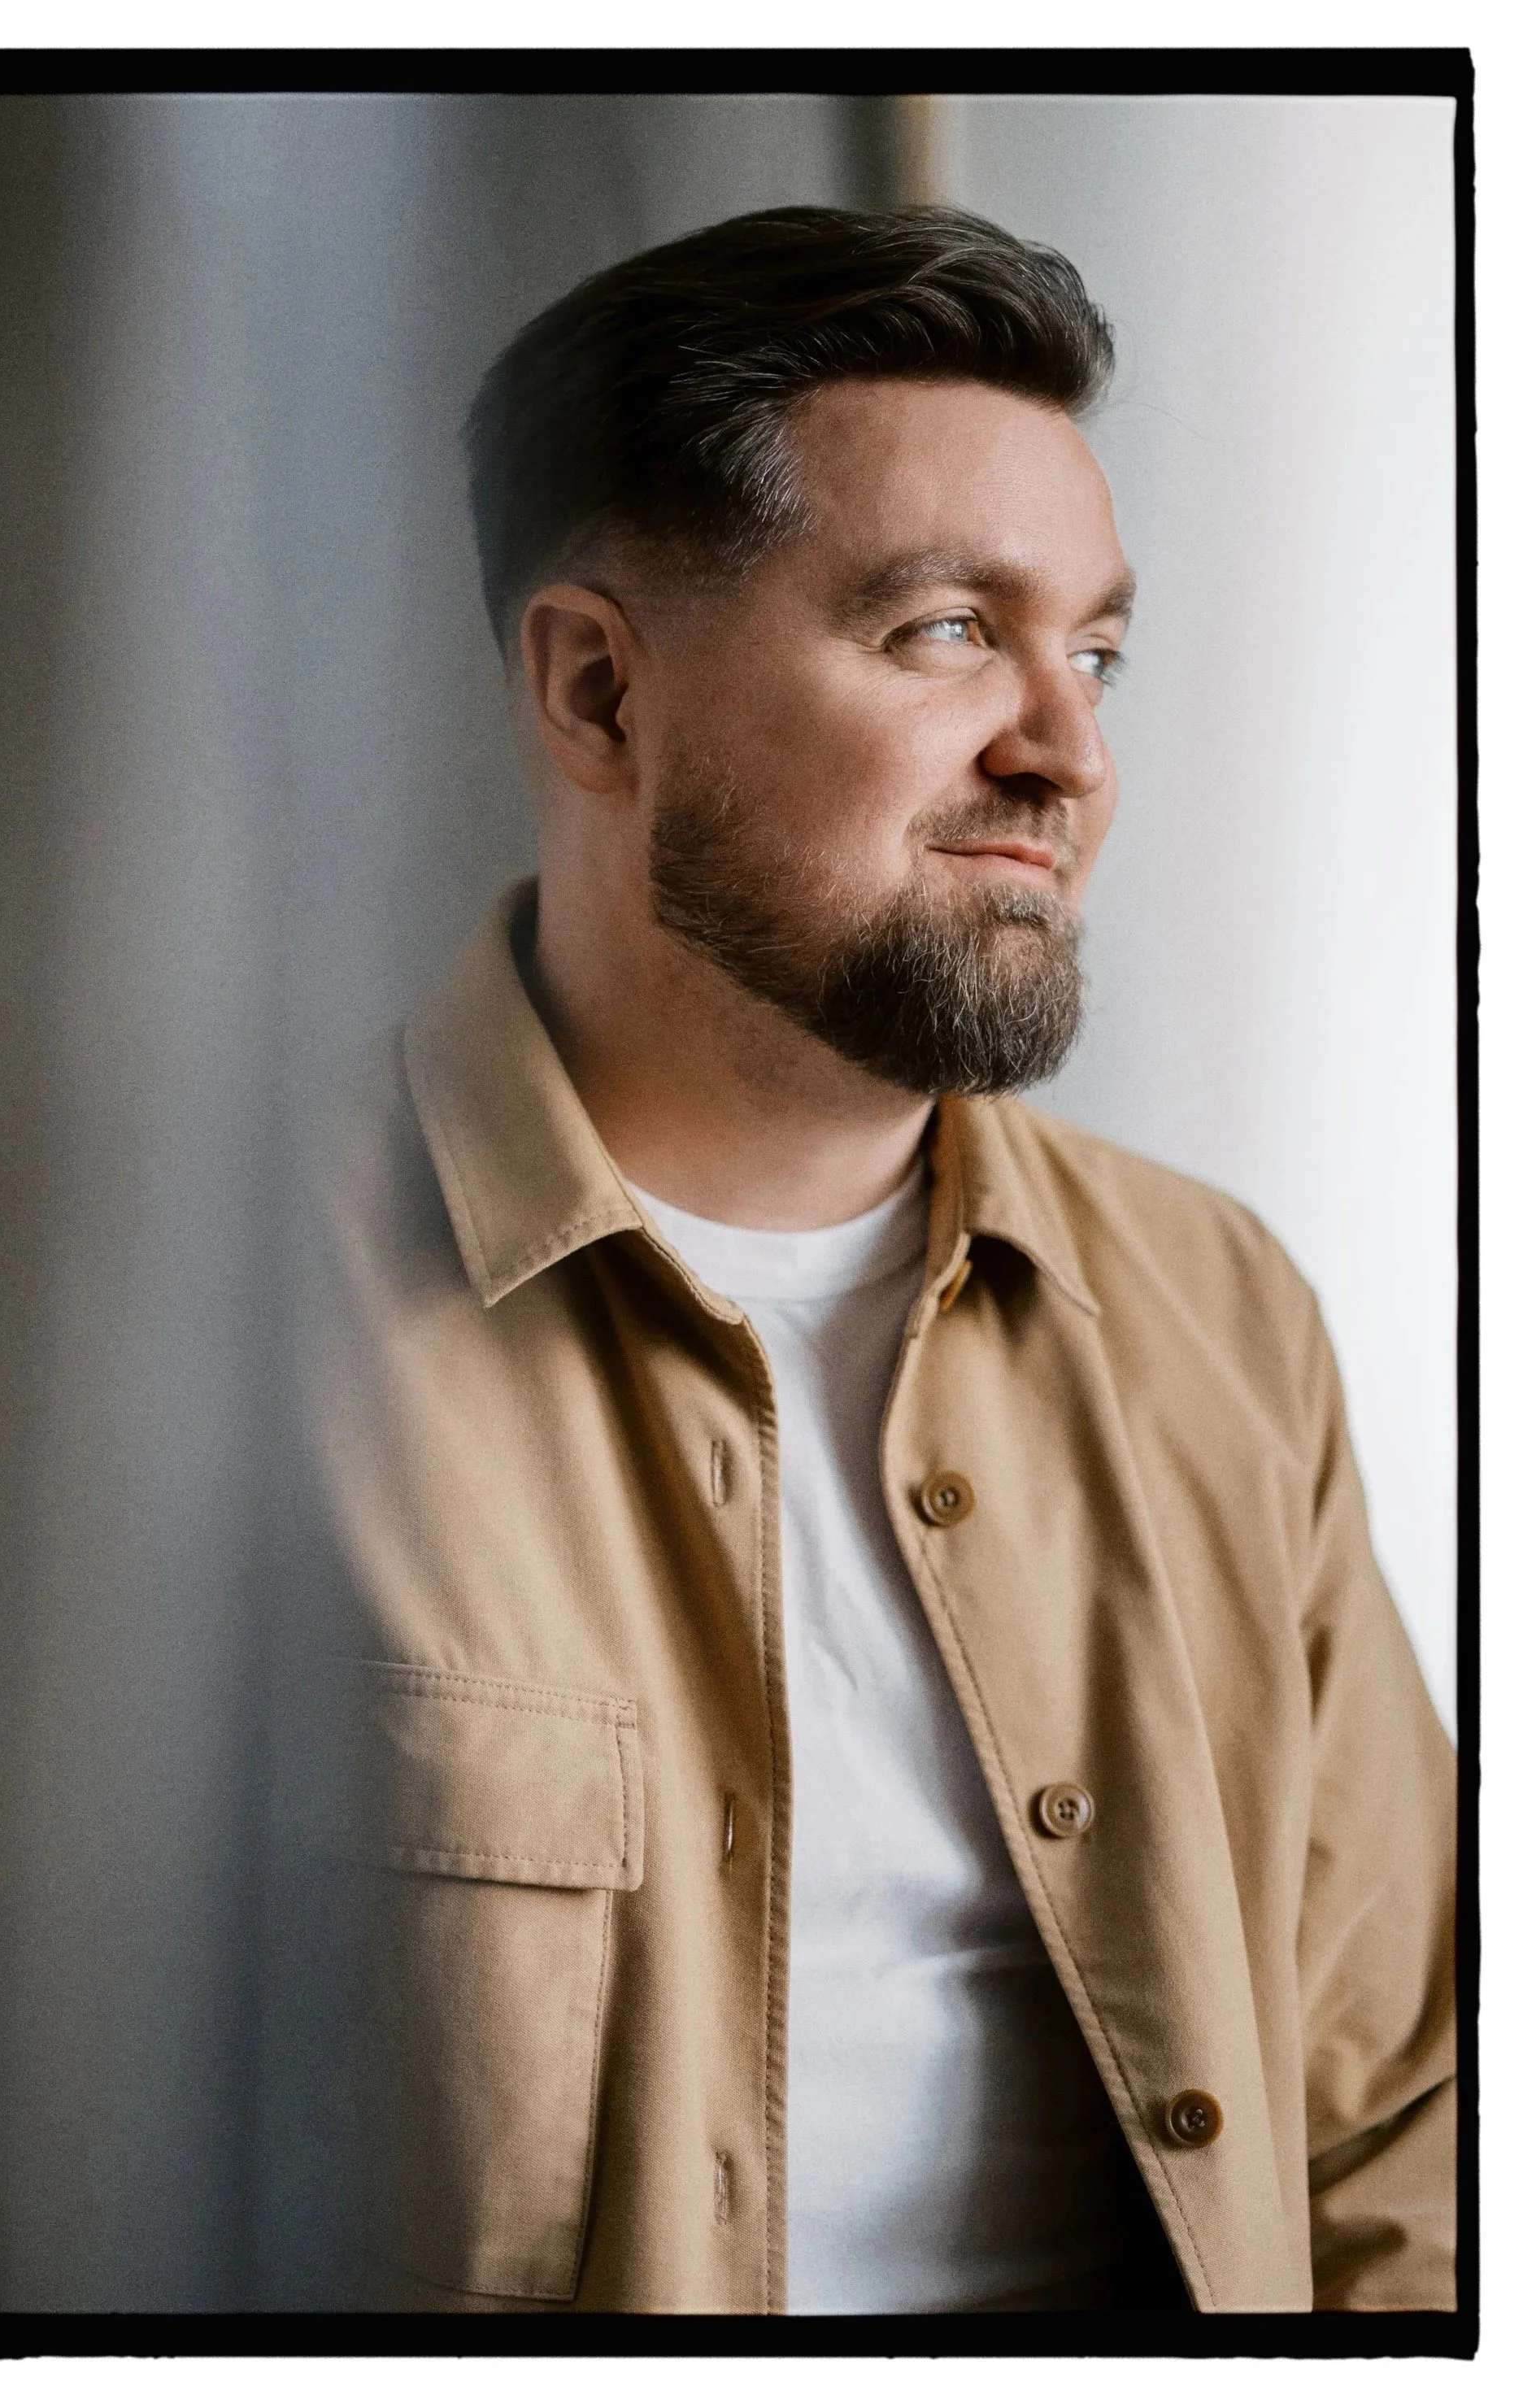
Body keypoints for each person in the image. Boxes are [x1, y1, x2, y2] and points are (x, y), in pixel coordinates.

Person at [296, 207, 1456, 2315]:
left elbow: (1401, 2133)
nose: (1067, 754)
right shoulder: (208, 1334)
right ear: (593, 691)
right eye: (942, 632)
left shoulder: (1217, 1319)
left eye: (1092, 654)